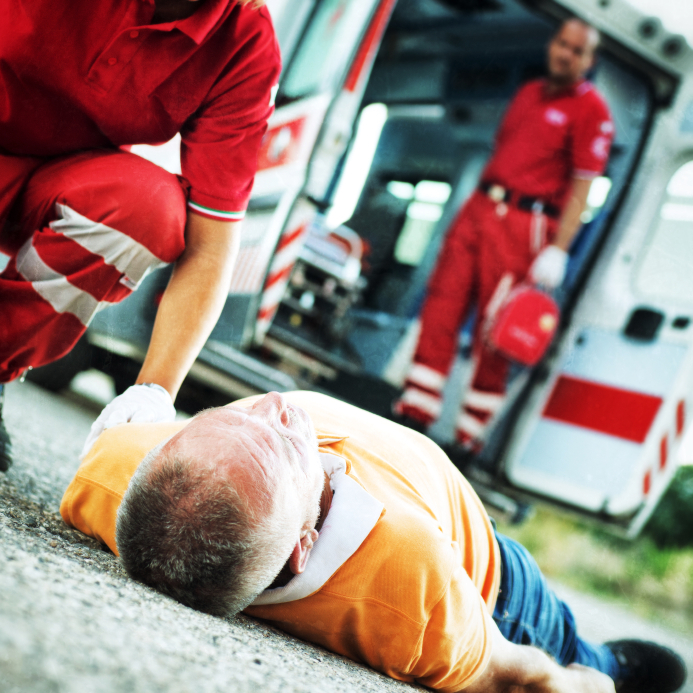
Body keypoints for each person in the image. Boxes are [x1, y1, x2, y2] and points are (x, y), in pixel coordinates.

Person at [61, 390, 686, 693]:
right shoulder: (412, 587)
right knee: (580, 652)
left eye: (227, 414)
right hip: (497, 590)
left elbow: (117, 442)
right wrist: (587, 683)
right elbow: (519, 678)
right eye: (286, 444)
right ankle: (613, 662)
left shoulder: (116, 473)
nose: (277, 404)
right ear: (301, 547)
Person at [0, 0, 281, 472]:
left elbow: (211, 247)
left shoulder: (243, 42)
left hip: (56, 184)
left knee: (150, 210)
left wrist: (155, 392)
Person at [393, 18, 613, 453]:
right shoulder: (529, 93)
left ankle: (467, 440)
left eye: (576, 50)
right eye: (561, 44)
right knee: (442, 302)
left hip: (526, 222)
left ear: (589, 61)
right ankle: (413, 413)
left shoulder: (592, 111)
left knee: (497, 330)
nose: (564, 54)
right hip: (480, 207)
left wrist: (558, 249)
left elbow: (583, 184)